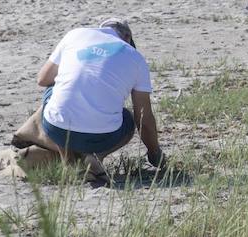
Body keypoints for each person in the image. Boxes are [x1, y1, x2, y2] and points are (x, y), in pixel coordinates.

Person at [35, 18, 166, 184]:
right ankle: (96, 156)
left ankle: (69, 160)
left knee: (53, 89)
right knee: (128, 119)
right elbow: (144, 118)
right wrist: (155, 154)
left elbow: (42, 79)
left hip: (57, 128)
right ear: (127, 38)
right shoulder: (135, 57)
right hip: (104, 136)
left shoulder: (76, 34)